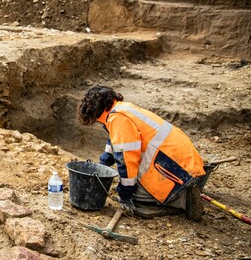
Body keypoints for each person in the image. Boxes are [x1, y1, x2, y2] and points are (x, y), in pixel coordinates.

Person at [77, 85, 206, 220]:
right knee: (128, 182)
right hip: (185, 160)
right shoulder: (122, 108)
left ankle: (182, 198)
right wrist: (104, 162)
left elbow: (126, 159)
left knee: (135, 192)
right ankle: (185, 188)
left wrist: (126, 194)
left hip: (175, 167)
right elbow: (115, 139)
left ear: (95, 111)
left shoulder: (118, 119)